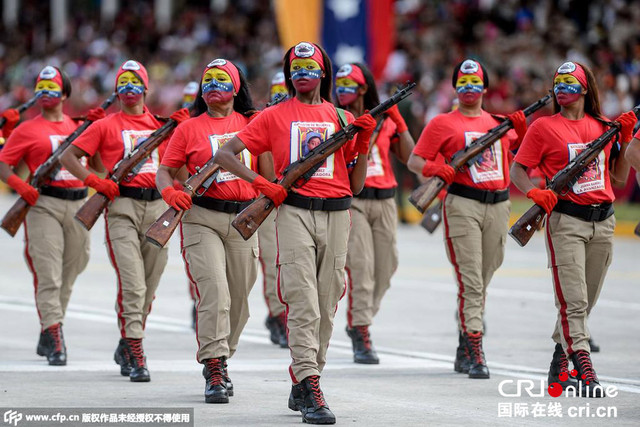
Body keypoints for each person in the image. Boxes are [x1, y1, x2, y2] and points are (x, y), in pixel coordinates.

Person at [213, 41, 376, 425]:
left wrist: (363, 142)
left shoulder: (339, 116)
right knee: (302, 300)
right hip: (295, 213)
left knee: (328, 300)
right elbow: (224, 155)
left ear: (323, 72)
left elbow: (354, 185)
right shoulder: (273, 115)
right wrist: (262, 183)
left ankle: (305, 380)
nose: (303, 74)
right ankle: (310, 379)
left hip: (338, 214)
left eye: (310, 67)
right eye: (296, 69)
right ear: (289, 75)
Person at [511, 61, 636, 397]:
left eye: (569, 82)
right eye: (558, 83)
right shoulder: (542, 128)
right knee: (574, 301)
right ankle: (584, 366)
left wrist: (623, 137)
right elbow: (518, 170)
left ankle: (559, 359)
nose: (562, 88)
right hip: (566, 222)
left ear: (584, 88)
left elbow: (620, 177)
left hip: (604, 222)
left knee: (587, 299)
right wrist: (534, 192)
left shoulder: (603, 126)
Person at [60, 60, 190, 382]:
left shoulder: (163, 127)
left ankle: (127, 339)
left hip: (158, 209)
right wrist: (95, 181)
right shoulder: (104, 125)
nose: (129, 88)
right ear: (116, 89)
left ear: (146, 88)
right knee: (132, 282)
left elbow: (181, 168)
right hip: (122, 209)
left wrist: (183, 130)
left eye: (135, 82)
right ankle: (135, 347)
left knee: (150, 282)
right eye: (123, 82)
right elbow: (67, 156)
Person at [156, 58, 269, 404]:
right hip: (201, 218)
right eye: (207, 79)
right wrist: (170, 192)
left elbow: (268, 172)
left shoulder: (253, 124)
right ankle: (214, 363)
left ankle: (223, 355)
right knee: (215, 291)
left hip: (243, 220)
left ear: (237, 87)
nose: (213, 85)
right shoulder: (188, 128)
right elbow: (165, 172)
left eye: (222, 79)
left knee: (239, 303)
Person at [407, 59, 527, 379]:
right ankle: (475, 347)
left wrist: (521, 129)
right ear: (455, 88)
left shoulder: (499, 123)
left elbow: (522, 156)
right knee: (471, 280)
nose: (469, 89)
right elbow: (415, 161)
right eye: (463, 83)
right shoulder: (441, 123)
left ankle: (465, 337)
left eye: (475, 83)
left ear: (485, 88)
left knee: (484, 275)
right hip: (462, 204)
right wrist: (436, 169)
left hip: (499, 205)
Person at [0, 66, 105, 365]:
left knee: (73, 269)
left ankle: (49, 329)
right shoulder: (26, 128)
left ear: (65, 93)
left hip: (77, 204)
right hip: (43, 204)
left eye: (52, 87)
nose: (46, 92)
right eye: (40, 87)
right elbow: (4, 163)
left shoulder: (77, 125)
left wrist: (94, 130)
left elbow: (97, 164)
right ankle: (55, 333)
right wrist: (20, 185)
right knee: (49, 273)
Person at [335, 62, 414, 364]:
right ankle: (361, 330)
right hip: (354, 199)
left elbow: (409, 156)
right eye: (339, 85)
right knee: (361, 267)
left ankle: (362, 317)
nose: (342, 91)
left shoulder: (385, 118)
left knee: (387, 266)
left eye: (349, 85)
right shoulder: (336, 118)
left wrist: (398, 121)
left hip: (385, 200)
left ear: (364, 87)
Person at [261, 71, 290, 349]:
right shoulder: (264, 120)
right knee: (273, 262)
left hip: (299, 202)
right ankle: (279, 316)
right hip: (269, 202)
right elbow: (268, 172)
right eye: (276, 89)